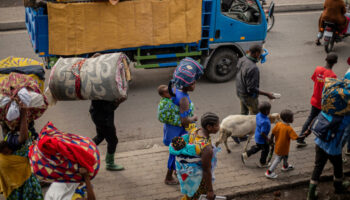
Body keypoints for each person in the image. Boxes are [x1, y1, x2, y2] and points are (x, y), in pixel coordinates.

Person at [163, 57, 203, 185]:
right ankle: (169, 177)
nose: (195, 85)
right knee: (175, 153)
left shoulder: (175, 89)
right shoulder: (184, 99)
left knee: (174, 152)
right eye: (193, 83)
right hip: (180, 130)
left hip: (171, 129)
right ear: (188, 85)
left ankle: (175, 171)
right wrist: (195, 118)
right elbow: (185, 121)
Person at [170, 112, 220, 200]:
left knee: (190, 196)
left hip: (190, 176)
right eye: (217, 125)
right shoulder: (206, 148)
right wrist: (210, 190)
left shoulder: (195, 131)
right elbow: (206, 170)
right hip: (199, 181)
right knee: (197, 197)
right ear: (209, 127)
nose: (219, 127)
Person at [0, 104, 43, 200]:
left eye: (6, 152)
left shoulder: (12, 141)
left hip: (22, 179)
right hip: (16, 181)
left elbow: (23, 137)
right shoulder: (9, 139)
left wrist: (23, 114)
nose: (7, 153)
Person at [234, 44, 275, 143]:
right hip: (249, 96)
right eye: (260, 53)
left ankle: (237, 133)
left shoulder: (242, 59)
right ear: (256, 53)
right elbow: (252, 88)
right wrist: (267, 94)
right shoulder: (253, 68)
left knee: (243, 114)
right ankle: (255, 136)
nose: (261, 55)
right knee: (255, 116)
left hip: (239, 91)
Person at [306, 112, 350, 200]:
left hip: (320, 142)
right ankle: (338, 188)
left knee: (318, 167)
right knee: (338, 167)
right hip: (333, 149)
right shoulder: (346, 118)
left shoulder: (328, 109)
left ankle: (310, 193)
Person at [297, 53, 338, 147]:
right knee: (322, 121)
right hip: (323, 103)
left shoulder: (318, 69)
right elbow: (331, 91)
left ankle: (301, 137)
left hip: (315, 99)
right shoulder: (332, 75)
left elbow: (314, 79)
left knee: (310, 118)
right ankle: (320, 139)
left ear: (325, 59)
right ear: (335, 62)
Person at [265, 109, 306, 179]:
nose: (293, 118)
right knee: (277, 159)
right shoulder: (289, 128)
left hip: (279, 146)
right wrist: (305, 135)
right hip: (283, 148)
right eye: (292, 117)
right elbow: (296, 138)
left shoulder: (278, 124)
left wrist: (271, 140)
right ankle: (269, 172)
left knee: (285, 156)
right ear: (287, 119)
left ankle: (285, 166)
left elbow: (273, 133)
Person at [89, 97, 126, 171]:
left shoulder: (97, 90)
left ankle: (84, 151)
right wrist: (117, 103)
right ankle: (110, 163)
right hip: (104, 118)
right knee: (113, 141)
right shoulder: (103, 91)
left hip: (97, 114)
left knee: (100, 136)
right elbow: (107, 108)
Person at [241, 101, 272, 168]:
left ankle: (245, 155)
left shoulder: (258, 115)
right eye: (269, 110)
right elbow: (262, 132)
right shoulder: (265, 121)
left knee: (258, 147)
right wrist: (267, 139)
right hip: (262, 139)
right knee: (266, 150)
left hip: (257, 136)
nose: (270, 111)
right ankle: (263, 163)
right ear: (267, 111)